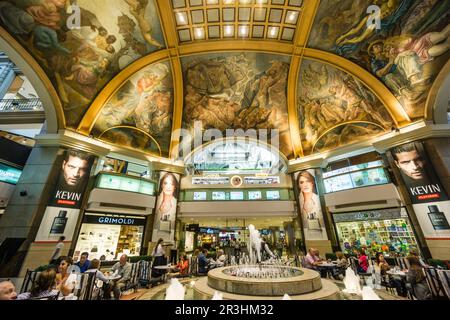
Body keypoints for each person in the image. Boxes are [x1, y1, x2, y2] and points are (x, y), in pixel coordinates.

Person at [297, 171, 326, 240]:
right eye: (302, 182)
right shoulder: (298, 201)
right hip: (306, 238)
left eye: (308, 181)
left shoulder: (318, 199)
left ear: (312, 183)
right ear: (299, 185)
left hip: (322, 236)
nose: (305, 185)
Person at [153, 173, 178, 240]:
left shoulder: (176, 204)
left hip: (168, 237)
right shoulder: (156, 200)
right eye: (166, 183)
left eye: (172, 184)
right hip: (155, 236)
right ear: (161, 185)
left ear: (175, 186)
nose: (168, 187)